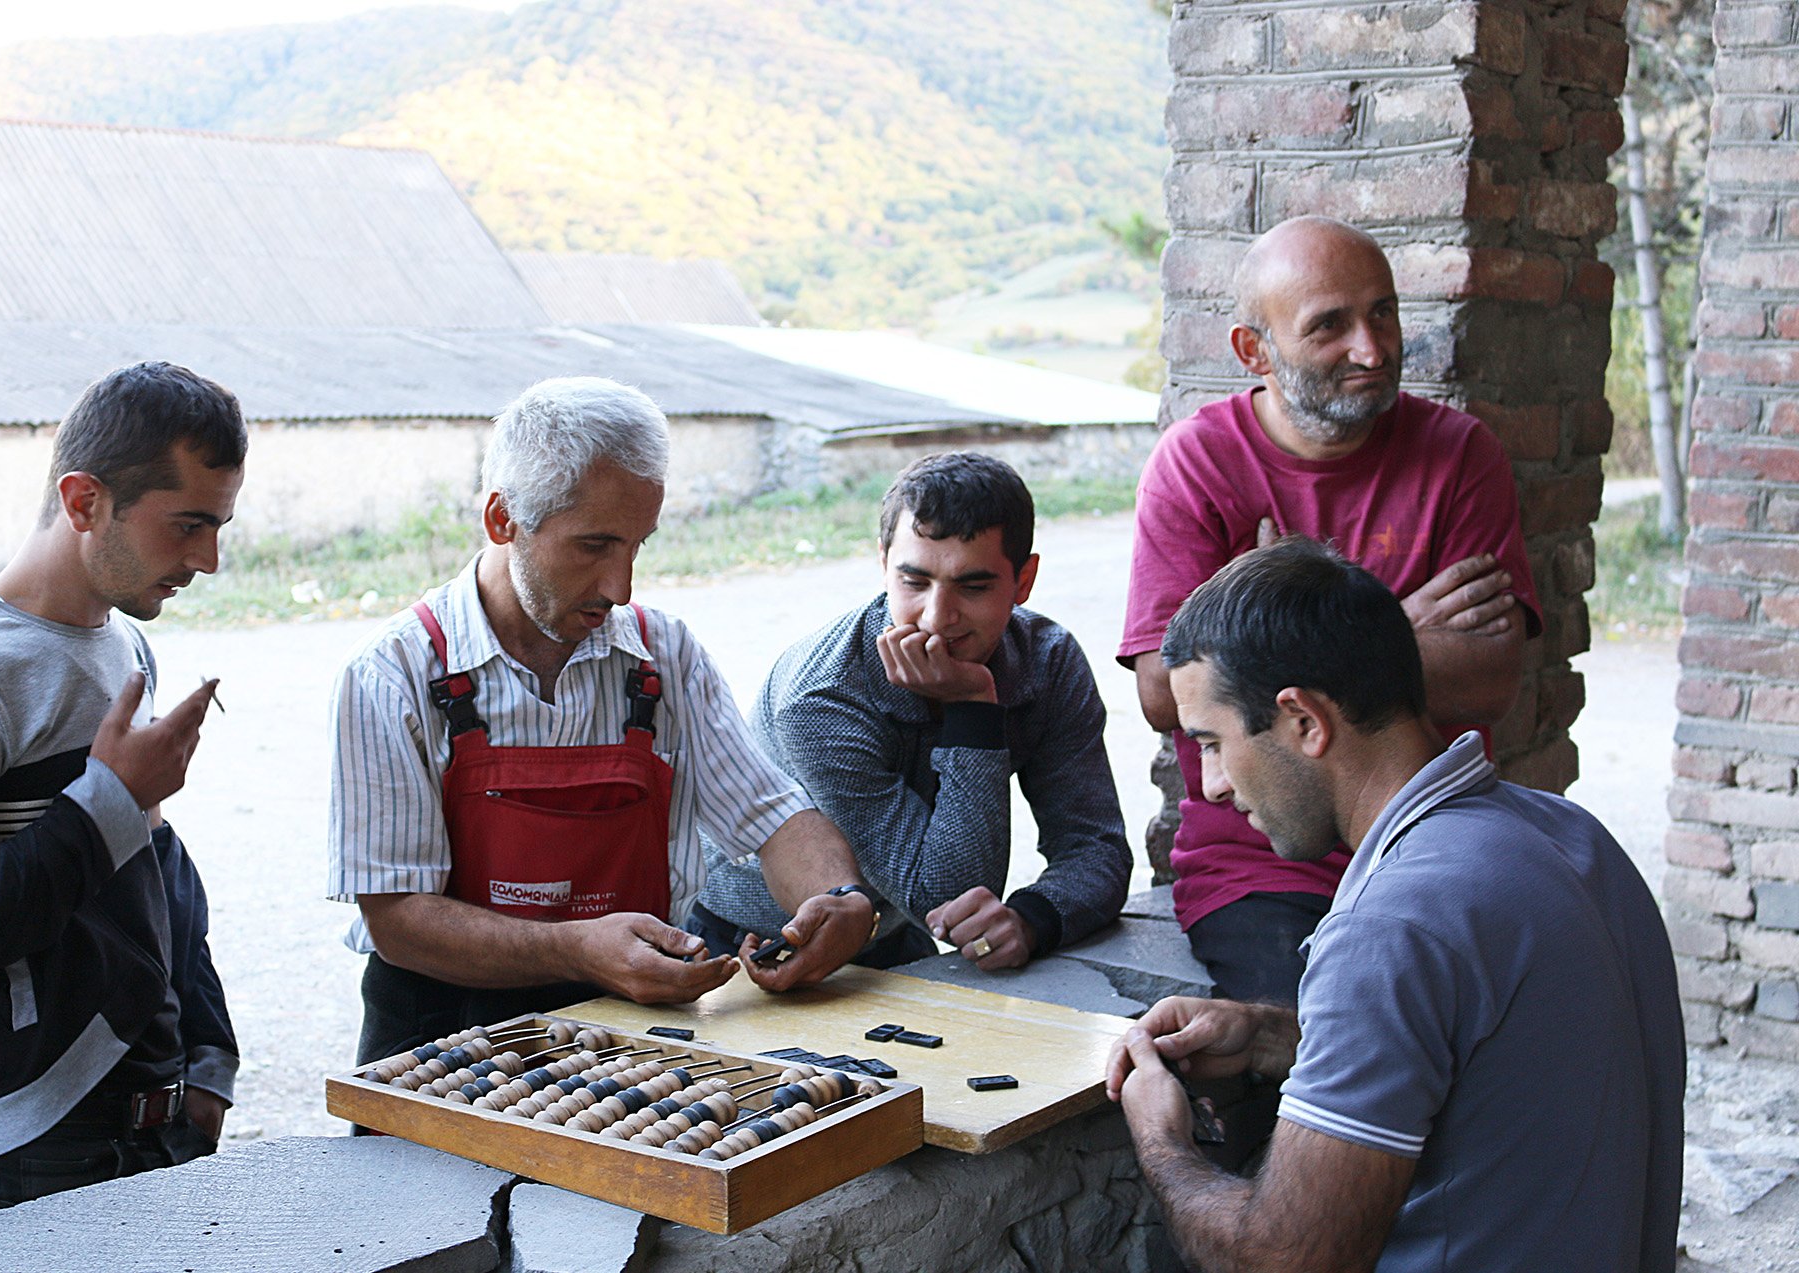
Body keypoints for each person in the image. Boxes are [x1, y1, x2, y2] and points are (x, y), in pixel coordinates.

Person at [1106, 537, 1683, 1272]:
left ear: (1304, 720)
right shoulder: (1576, 838)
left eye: (1213, 742)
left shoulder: (1391, 927)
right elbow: (1479, 1051)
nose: (1212, 784)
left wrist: (1162, 1140)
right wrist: (1272, 1034)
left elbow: (1285, 1260)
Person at [329, 377, 881, 1066]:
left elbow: (773, 817)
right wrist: (577, 949)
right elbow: (397, 918)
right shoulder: (393, 674)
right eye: (594, 546)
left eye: (637, 545)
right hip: (441, 1043)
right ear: (502, 519)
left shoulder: (663, 656)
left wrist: (838, 898)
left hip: (628, 1037)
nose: (621, 587)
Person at [1118, 214, 1541, 1005]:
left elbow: (1489, 679)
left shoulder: (1460, 456)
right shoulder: (1197, 465)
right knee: (1323, 1030)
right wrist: (1394, 630)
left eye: (1383, 313)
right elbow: (1162, 692)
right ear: (1254, 350)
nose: (1372, 350)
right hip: (1262, 867)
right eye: (1329, 327)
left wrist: (1270, 631)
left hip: (1431, 835)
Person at [0, 362, 245, 1219]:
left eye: (219, 526)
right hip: (26, 1157)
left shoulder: (126, 646)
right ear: (83, 502)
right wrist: (109, 798)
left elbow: (154, 870)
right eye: (188, 524)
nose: (209, 560)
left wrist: (207, 1055)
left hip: (159, 1127)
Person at [694, 452, 1132, 970]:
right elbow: (942, 897)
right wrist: (972, 709)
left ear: (1024, 580)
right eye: (915, 582)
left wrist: (1031, 919)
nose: (937, 618)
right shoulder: (822, 695)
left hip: (893, 937)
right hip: (748, 947)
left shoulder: (1047, 660)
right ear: (884, 564)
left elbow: (1096, 847)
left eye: (973, 587)